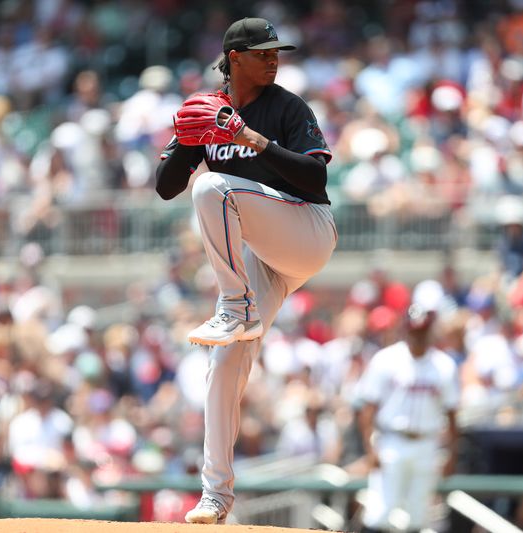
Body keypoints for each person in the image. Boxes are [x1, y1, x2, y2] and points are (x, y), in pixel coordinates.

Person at [155, 16, 337, 524]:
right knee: (223, 364)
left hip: (305, 232)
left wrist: (252, 139)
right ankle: (216, 495)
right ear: (235, 58)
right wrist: (184, 137)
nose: (274, 59)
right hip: (258, 257)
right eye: (263, 52)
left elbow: (316, 176)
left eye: (277, 51)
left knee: (214, 188)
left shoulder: (286, 106)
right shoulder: (210, 110)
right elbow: (166, 186)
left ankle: (235, 307)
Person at [356, 280, 460, 533]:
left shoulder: (444, 365)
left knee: (418, 516)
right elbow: (367, 410)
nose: (418, 335)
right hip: (392, 440)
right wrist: (370, 449)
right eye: (414, 330)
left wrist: (451, 454)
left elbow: (453, 415)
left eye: (422, 331)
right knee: (378, 513)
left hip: (427, 442)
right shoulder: (387, 360)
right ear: (406, 330)